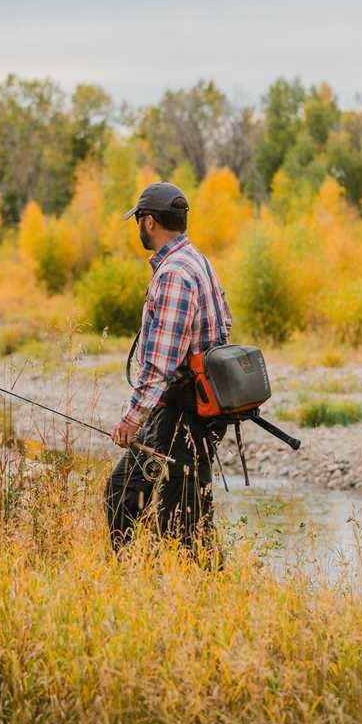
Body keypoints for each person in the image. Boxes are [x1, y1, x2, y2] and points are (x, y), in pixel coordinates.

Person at [104, 181, 232, 558]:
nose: (138, 228)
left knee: (174, 519)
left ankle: (148, 583)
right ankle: (149, 579)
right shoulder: (196, 260)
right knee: (176, 511)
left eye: (138, 221)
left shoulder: (174, 273)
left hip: (180, 412)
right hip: (191, 410)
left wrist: (131, 420)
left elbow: (161, 363)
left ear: (149, 222)